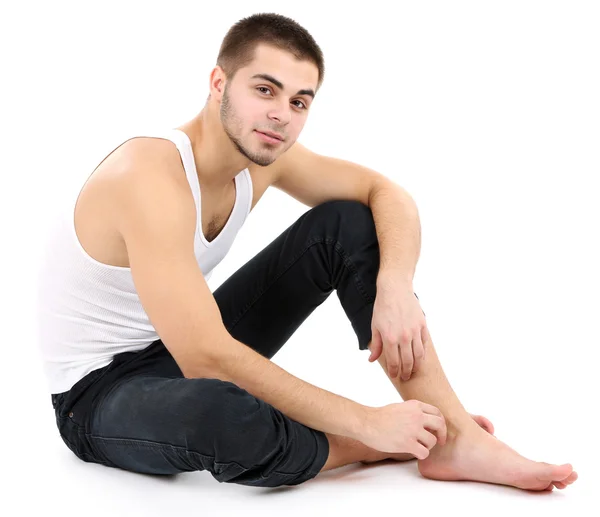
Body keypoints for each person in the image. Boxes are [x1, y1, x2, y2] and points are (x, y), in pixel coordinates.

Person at [37, 12, 577, 491]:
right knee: (222, 411)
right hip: (98, 395)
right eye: (265, 90)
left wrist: (394, 285)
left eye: (299, 101)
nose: (281, 115)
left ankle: (452, 435)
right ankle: (369, 448)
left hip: (177, 345)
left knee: (344, 221)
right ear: (218, 83)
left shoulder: (264, 159)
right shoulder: (149, 177)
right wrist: (366, 423)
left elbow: (387, 194)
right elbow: (205, 358)